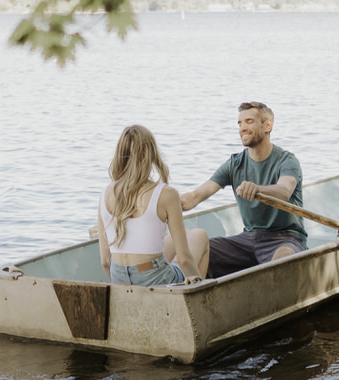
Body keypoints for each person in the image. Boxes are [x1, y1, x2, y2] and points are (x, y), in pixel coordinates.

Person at [176, 101, 306, 279]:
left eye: (249, 121)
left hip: (285, 238)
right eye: (240, 123)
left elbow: (284, 190)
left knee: (283, 258)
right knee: (198, 248)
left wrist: (257, 189)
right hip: (248, 238)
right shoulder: (234, 164)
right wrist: (164, 200)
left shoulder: (287, 161)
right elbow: (194, 197)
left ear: (268, 125)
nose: (242, 128)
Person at [96, 125, 208, 287]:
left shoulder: (105, 194)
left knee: (185, 232)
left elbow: (105, 262)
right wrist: (198, 283)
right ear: (151, 154)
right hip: (155, 278)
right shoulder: (166, 194)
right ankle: (198, 298)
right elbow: (184, 259)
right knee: (200, 235)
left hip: (119, 277)